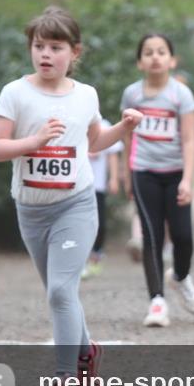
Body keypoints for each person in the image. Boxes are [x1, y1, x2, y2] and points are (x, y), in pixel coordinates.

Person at [0, 6, 142, 386]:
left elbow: (93, 143)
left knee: (59, 290)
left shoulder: (85, 95)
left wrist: (123, 129)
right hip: (31, 209)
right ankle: (87, 352)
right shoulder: (15, 93)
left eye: (55, 47)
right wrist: (32, 142)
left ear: (75, 52)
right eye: (39, 46)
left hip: (76, 205)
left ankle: (64, 380)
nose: (46, 54)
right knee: (60, 292)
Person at [121, 33, 194, 327]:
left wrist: (188, 180)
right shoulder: (132, 95)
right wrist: (126, 174)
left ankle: (180, 276)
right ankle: (157, 301)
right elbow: (127, 136)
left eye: (161, 51)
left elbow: (190, 139)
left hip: (176, 173)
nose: (155, 56)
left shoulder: (181, 95)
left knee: (183, 237)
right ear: (140, 62)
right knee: (151, 237)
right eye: (148, 52)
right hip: (144, 172)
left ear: (172, 60)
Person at [82, 118, 122, 279]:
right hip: (77, 185)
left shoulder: (105, 126)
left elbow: (112, 155)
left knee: (100, 224)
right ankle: (81, 262)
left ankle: (96, 256)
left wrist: (113, 178)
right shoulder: (75, 121)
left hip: (97, 184)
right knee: (80, 224)